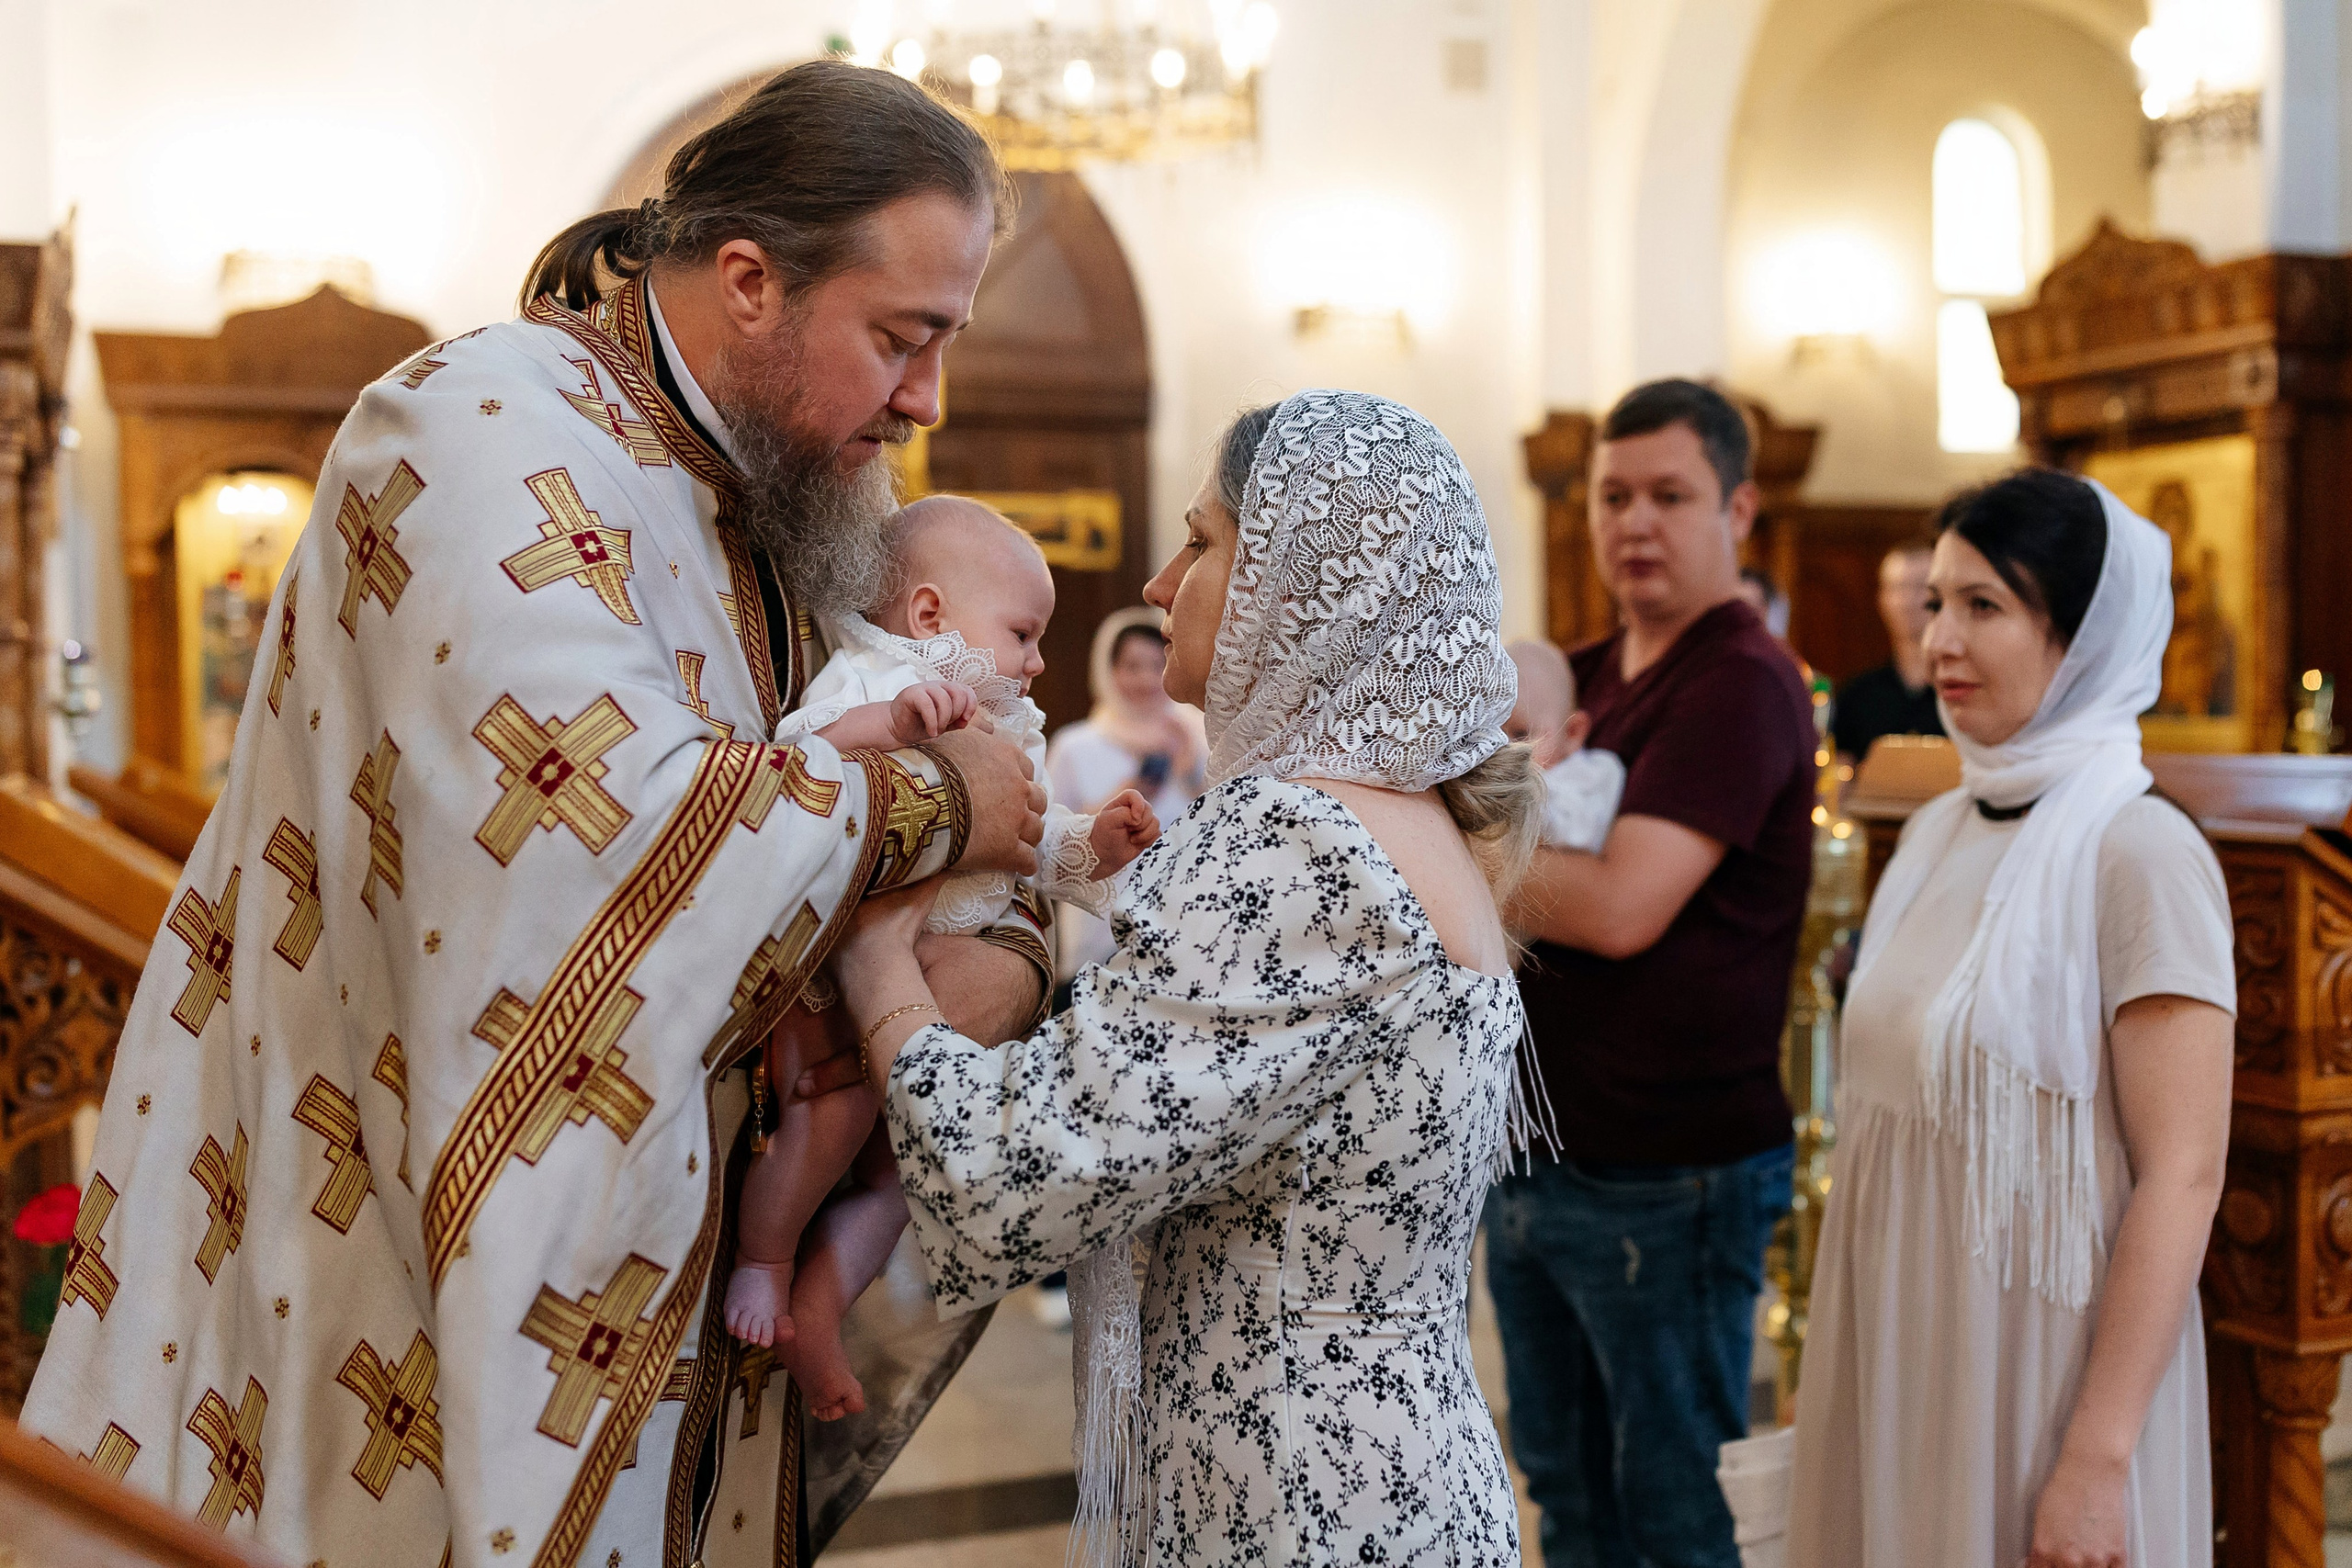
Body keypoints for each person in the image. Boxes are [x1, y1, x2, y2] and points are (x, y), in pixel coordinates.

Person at [21, 62, 1054, 1568]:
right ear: (751, 281)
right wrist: (938, 800)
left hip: (696, 1292)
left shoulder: (774, 489)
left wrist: (1003, 937)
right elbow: (599, 837)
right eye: (901, 338)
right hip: (409, 1267)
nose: (926, 400)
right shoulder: (480, 432)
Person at [808, 390, 1544, 1564]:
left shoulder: (1301, 840)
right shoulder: (1413, 821)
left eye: (1201, 542)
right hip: (1385, 1474)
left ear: (1298, 585)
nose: (1159, 582)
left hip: (1296, 1503)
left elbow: (1012, 1170)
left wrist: (875, 955)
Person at [1788, 470, 2233, 1568]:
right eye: (1936, 602)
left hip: (2042, 1375)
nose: (1940, 637)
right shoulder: (1935, 828)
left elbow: (2182, 1174)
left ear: (2081, 636)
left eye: (1983, 605)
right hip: (1910, 1343)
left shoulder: (2140, 854)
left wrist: (2097, 1457)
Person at [722, 496, 1161, 1411]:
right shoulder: (870, 677)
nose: (1037, 662)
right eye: (1022, 635)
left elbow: (1028, 841)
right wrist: (890, 723)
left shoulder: (1010, 722)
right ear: (929, 616)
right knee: (833, 1116)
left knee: (905, 1174)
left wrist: (1091, 846)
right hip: (854, 978)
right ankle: (764, 1259)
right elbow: (799, 757)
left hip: (942, 986)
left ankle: (821, 1305)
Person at [1491, 378, 1815, 1568]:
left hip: (1667, 1171)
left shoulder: (1741, 681)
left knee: (1675, 1512)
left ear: (1739, 510)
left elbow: (1622, 907)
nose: (1634, 521)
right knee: (1568, 1494)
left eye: (1669, 495)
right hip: (1540, 1148)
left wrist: (1455, 853)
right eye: (1612, 495)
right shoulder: (1578, 675)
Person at [1043, 604, 1208, 976]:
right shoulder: (1076, 745)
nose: (1146, 680)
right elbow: (1046, 841)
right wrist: (1120, 796)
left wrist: (1188, 774)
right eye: (1132, 667)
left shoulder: (1198, 737)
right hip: (1099, 933)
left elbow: (1225, 828)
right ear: (1108, 670)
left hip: (1187, 930)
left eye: (1157, 666)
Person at [1505, 637, 1623, 853]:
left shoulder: (1592, 774)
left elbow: (1579, 833)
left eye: (1520, 735)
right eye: (1491, 735)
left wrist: (1511, 802)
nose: (1502, 750)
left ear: (1572, 733)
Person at [1830, 540, 1942, 761]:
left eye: (1920, 586)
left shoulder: (1965, 692)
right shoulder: (1856, 697)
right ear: (1882, 599)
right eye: (1897, 588)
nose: (1907, 602)